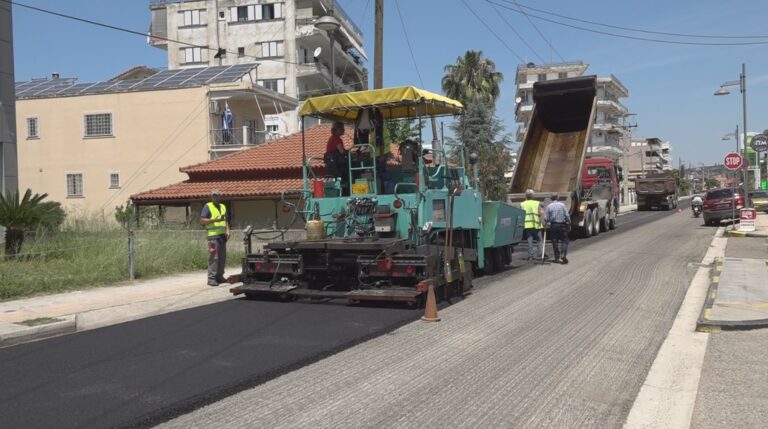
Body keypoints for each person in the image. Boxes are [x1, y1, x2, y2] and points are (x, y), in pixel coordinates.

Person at [200, 189, 230, 286]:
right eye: (213, 196)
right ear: (211, 197)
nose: (215, 197)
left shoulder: (222, 206)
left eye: (217, 195)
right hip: (213, 237)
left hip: (222, 236)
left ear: (219, 196)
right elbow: (202, 220)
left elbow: (226, 220)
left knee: (222, 258)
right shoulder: (208, 206)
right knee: (214, 258)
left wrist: (228, 230)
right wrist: (213, 220)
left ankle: (220, 277)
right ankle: (211, 279)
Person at [545, 192, 571, 264]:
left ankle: (556, 258)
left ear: (551, 198)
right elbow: (567, 215)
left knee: (554, 241)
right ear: (558, 197)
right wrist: (569, 223)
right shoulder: (562, 205)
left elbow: (546, 218)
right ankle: (563, 253)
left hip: (553, 225)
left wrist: (546, 222)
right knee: (565, 240)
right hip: (562, 225)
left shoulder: (549, 206)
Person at [520, 189, 546, 261]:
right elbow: (540, 213)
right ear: (533, 196)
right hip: (536, 224)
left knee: (529, 241)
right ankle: (540, 254)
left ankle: (530, 256)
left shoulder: (522, 204)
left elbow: (521, 214)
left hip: (527, 225)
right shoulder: (537, 203)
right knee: (539, 240)